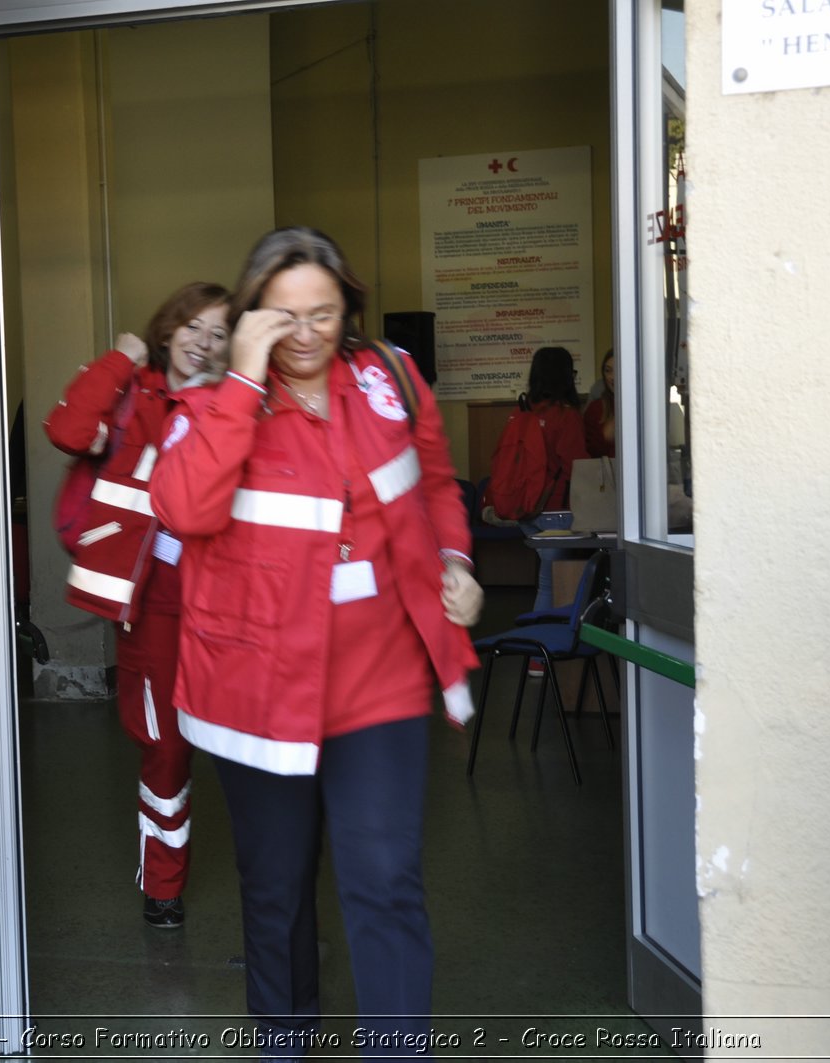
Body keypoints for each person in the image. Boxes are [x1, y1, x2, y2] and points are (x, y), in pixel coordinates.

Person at [149, 228, 482, 1057]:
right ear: (252, 313)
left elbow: (435, 484)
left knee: (385, 883)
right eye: (283, 316)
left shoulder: (390, 380)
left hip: (382, 682)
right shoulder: (209, 403)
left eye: (324, 313)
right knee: (277, 896)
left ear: (349, 310)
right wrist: (241, 382)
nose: (305, 332)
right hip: (260, 691)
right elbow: (184, 509)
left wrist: (456, 560)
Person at [43, 281, 231, 929]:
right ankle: (164, 882)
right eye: (194, 326)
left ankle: (275, 882)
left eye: (218, 333)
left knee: (247, 746)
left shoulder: (237, 404)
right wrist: (119, 358)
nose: (204, 342)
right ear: (168, 327)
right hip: (153, 605)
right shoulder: (134, 390)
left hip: (229, 606)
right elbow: (67, 429)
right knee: (166, 749)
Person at [514, 345, 590, 615]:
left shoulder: (524, 410)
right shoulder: (566, 416)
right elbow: (577, 468)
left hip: (527, 511)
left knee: (551, 583)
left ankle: (544, 650)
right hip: (557, 511)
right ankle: (540, 653)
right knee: (552, 586)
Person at [583, 350, 616, 458]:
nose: (612, 377)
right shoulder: (596, 409)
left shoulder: (646, 406)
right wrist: (605, 437)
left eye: (618, 369)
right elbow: (588, 451)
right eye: (608, 371)